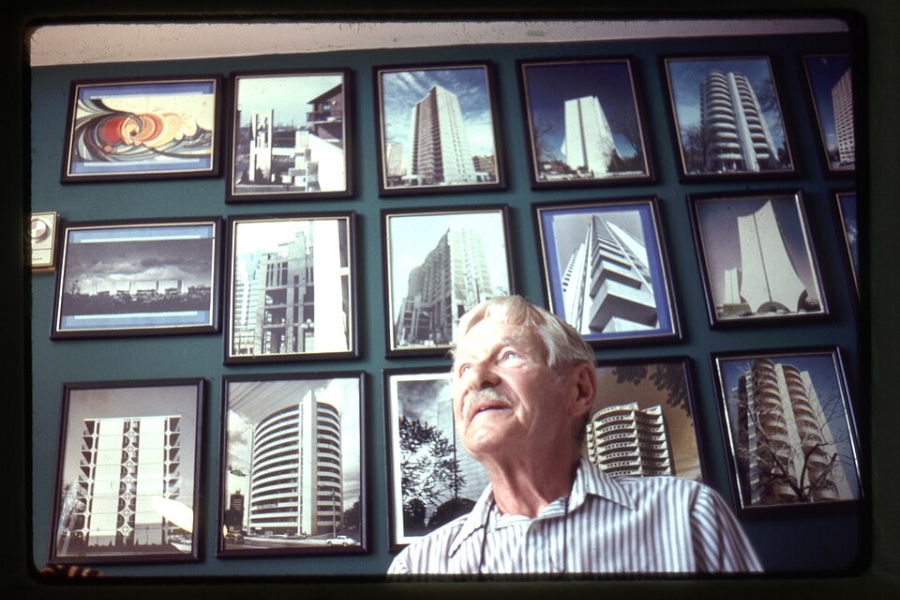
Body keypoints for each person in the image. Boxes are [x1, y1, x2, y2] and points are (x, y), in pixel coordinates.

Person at [388, 295, 762, 577]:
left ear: (579, 389)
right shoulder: (417, 567)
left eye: (508, 356)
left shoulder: (689, 516)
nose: (476, 378)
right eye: (465, 367)